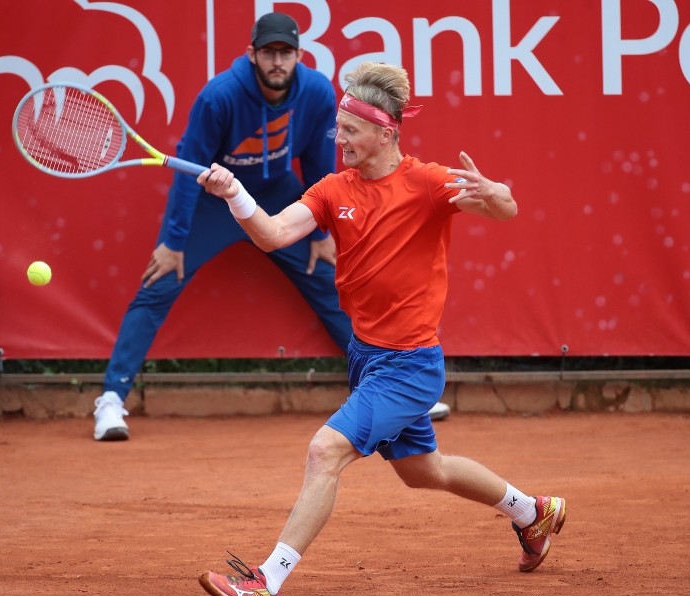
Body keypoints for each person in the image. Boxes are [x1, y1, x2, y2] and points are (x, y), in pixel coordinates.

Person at [195, 61, 566, 596]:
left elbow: (505, 210)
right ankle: (530, 512)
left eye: (348, 130)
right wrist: (236, 195)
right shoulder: (331, 189)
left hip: (410, 364)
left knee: (326, 452)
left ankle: (265, 583)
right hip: (367, 357)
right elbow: (272, 235)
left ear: (385, 133)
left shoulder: (428, 183)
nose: (336, 138)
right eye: (337, 128)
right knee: (426, 472)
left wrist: (496, 191)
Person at [92, 13, 451, 440]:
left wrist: (321, 235)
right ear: (252, 55)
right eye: (269, 52)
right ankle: (111, 400)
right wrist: (174, 242)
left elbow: (324, 167)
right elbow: (188, 174)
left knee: (326, 275)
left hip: (282, 192)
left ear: (298, 55)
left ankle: (395, 390)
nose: (277, 61)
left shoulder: (317, 92)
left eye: (285, 53)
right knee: (160, 281)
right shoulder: (219, 97)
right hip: (218, 199)